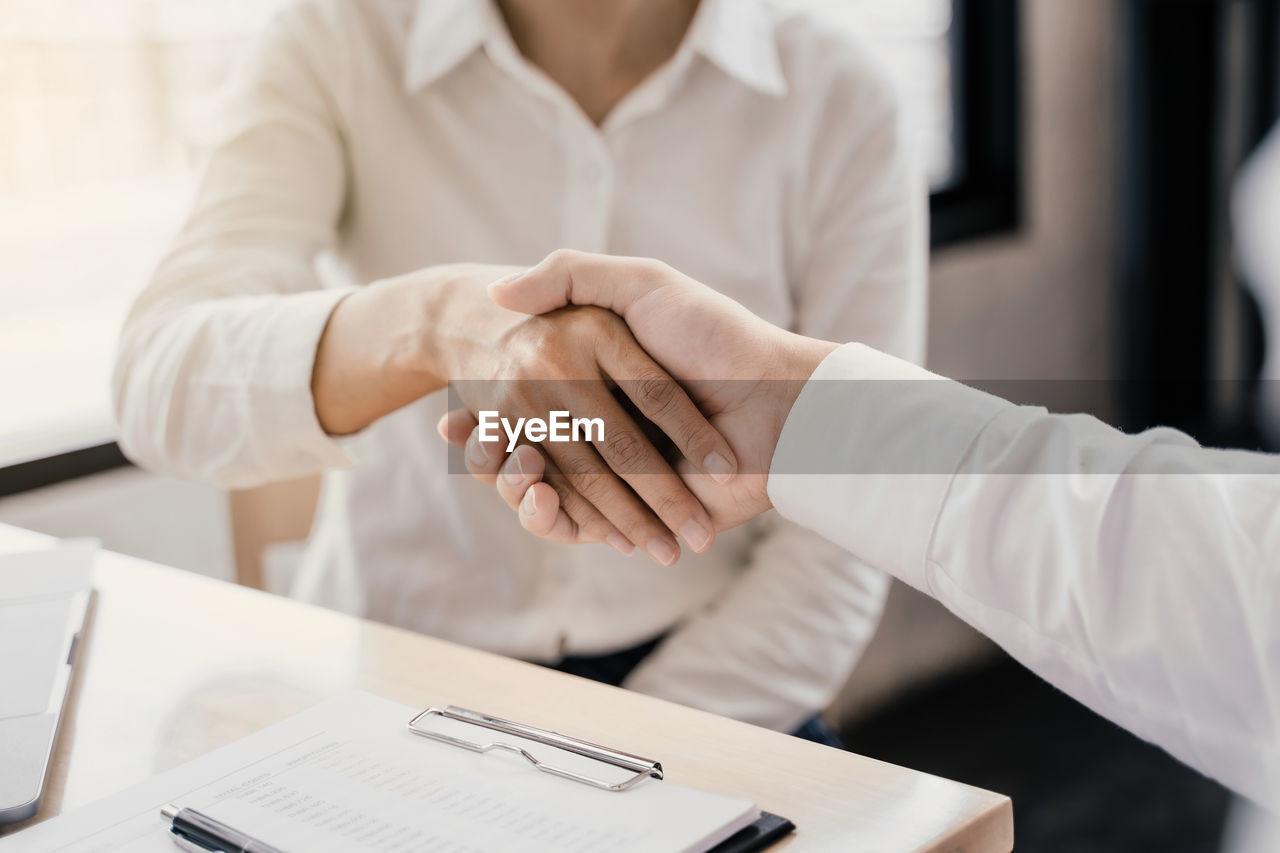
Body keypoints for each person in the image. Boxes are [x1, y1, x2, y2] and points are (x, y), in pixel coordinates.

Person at [111, 0, 927, 740]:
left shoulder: (840, 97)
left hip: (720, 687)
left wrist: (619, 763)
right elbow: (158, 383)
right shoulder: (341, 34)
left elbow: (851, 529)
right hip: (389, 686)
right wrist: (439, 322)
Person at [443, 249, 1280, 808]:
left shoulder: (839, 94)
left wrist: (595, 770)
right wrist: (786, 402)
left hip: (701, 721)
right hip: (435, 692)